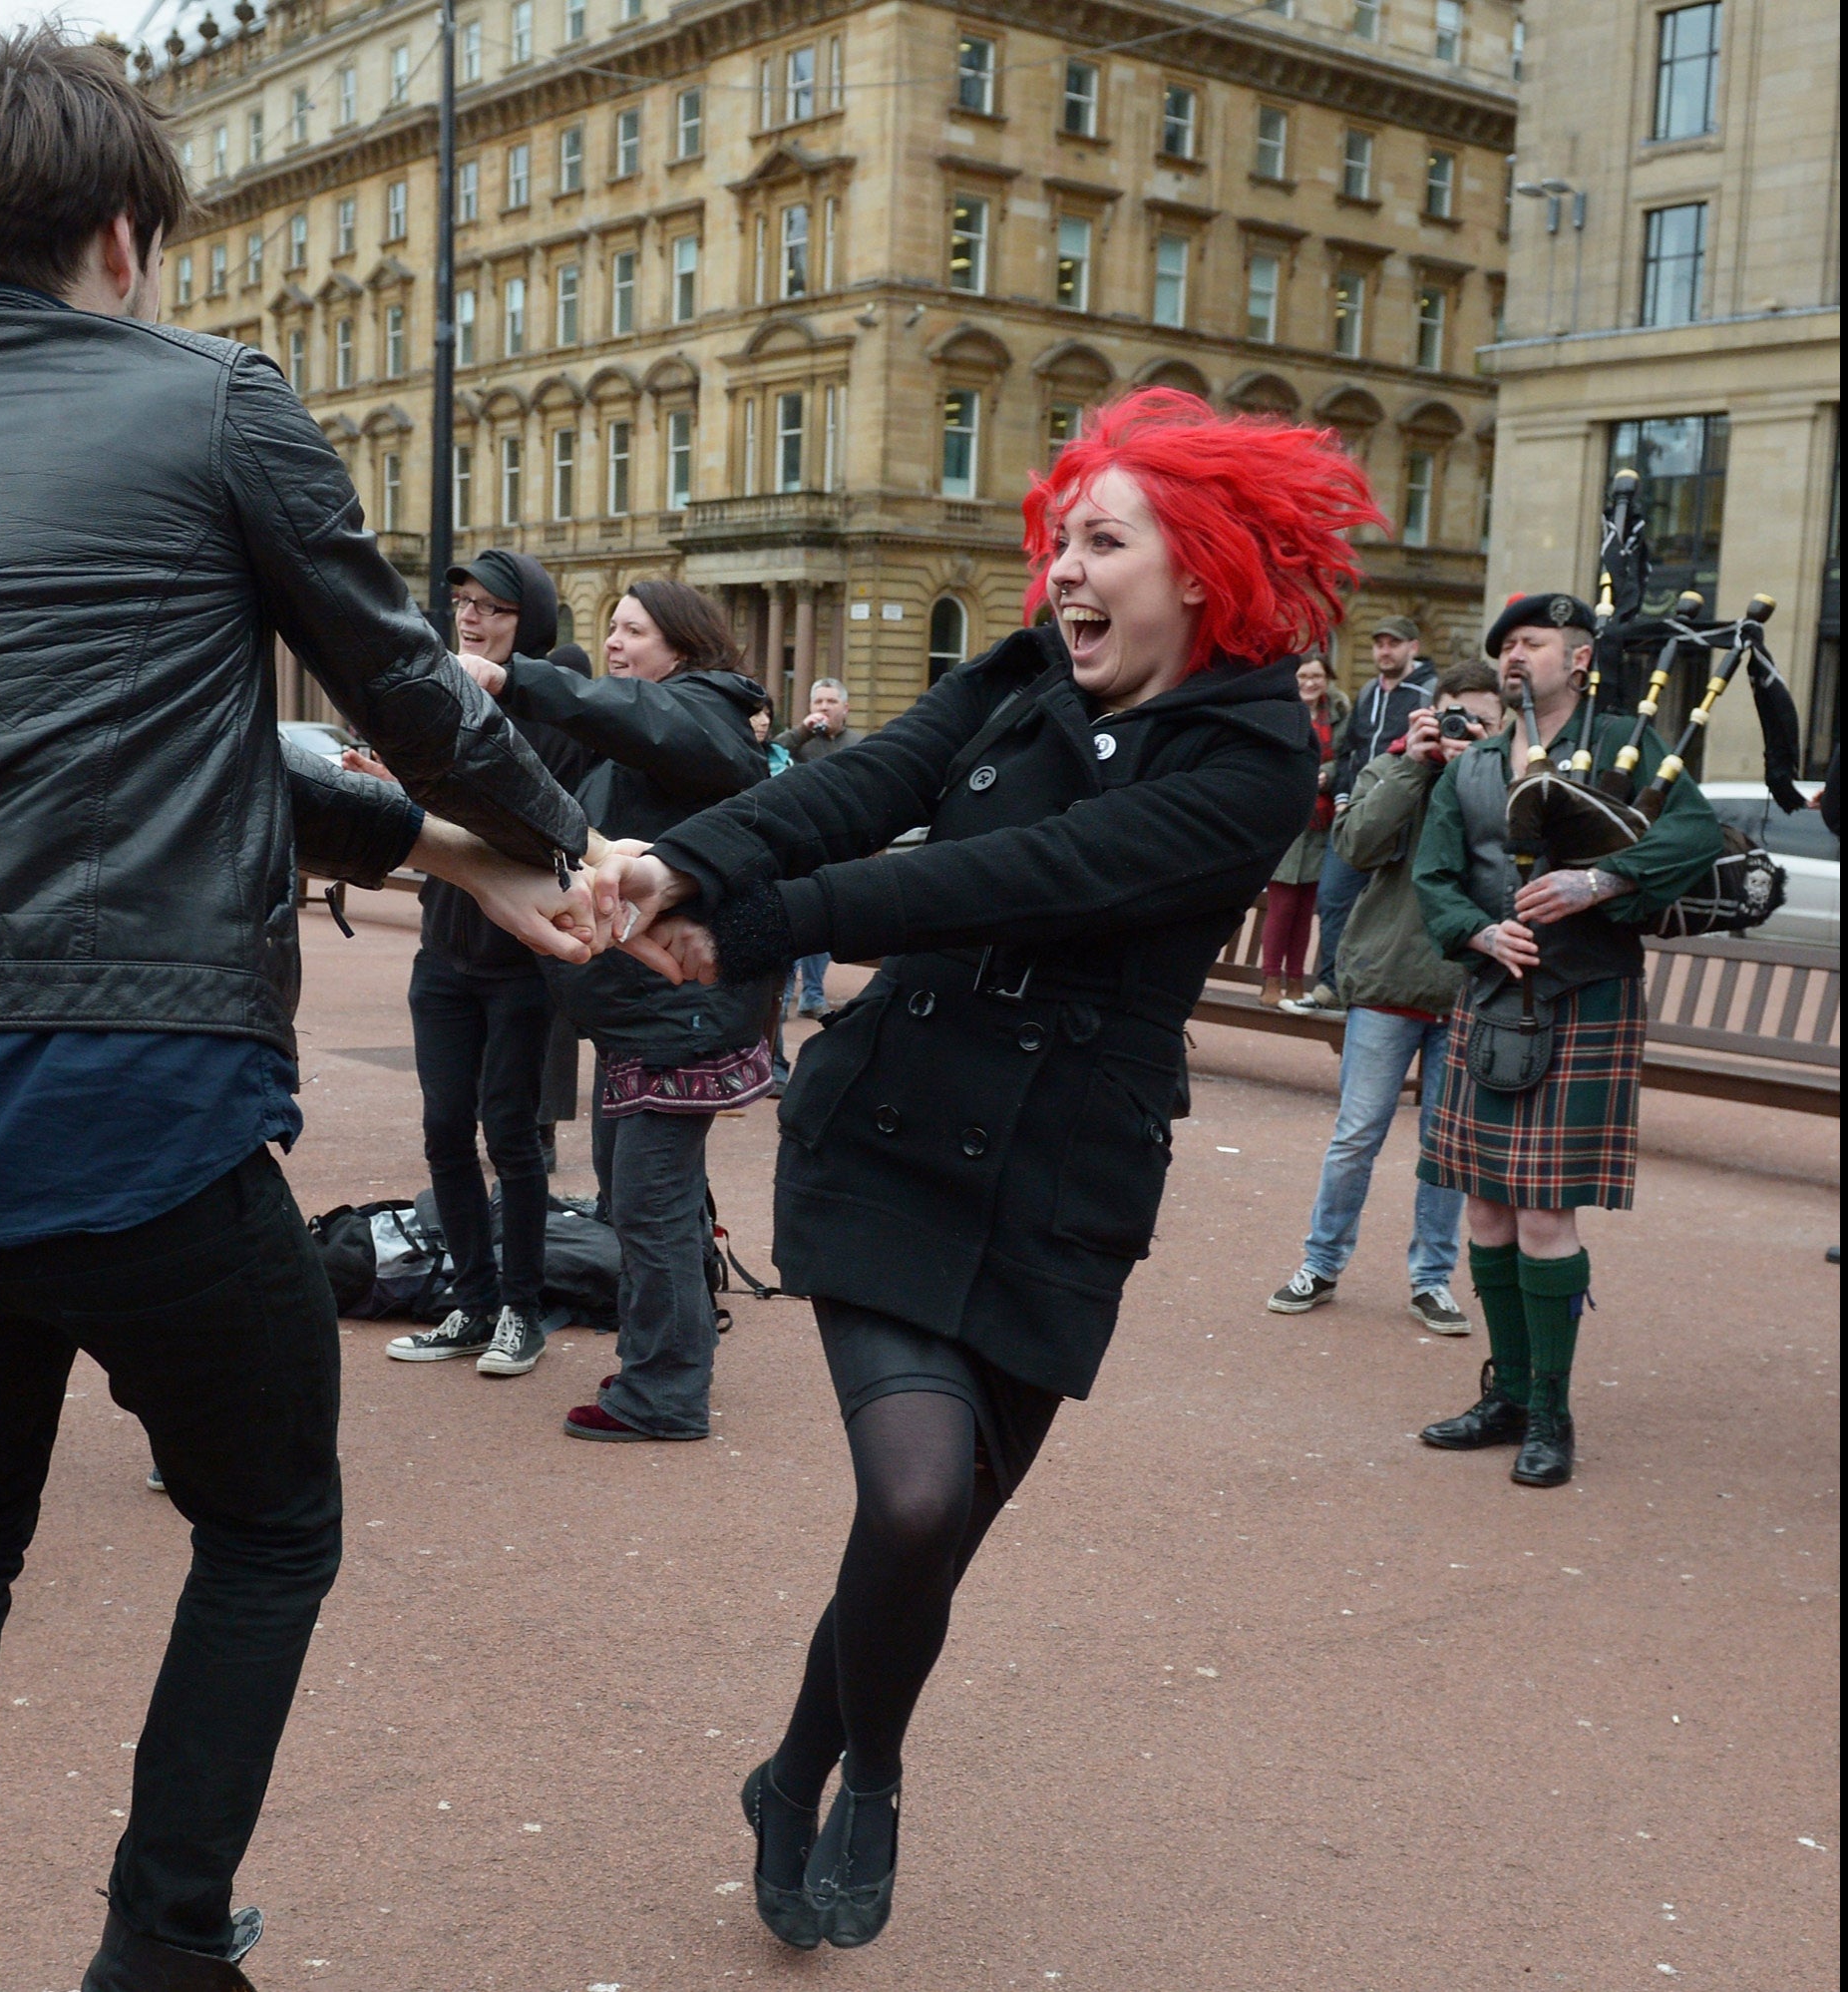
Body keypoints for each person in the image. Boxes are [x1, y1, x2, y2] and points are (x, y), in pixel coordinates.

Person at [0, 31, 598, 1991]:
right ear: (127, 237)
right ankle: (160, 1935)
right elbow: (399, 686)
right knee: (267, 1515)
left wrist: (441, 863)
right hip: (136, 1093)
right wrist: (561, 841)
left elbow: (109, 756)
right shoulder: (213, 401)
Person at [598, 387, 1373, 1951]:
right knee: (915, 1494)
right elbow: (865, 787)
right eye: (1060, 541)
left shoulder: (1253, 758)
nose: (1064, 573)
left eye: (1104, 542)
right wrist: (690, 863)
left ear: (1203, 566)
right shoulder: (1021, 672)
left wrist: (752, 930)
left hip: (1065, 1171)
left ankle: (805, 1767)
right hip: (894, 1123)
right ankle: (875, 1771)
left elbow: (1026, 875)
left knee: (930, 1533)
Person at [1410, 593, 1718, 1488]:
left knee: (1546, 1213)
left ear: (1578, 658)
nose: (1514, 656)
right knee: (1484, 1208)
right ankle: (1505, 1393)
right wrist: (1477, 932)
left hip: (1586, 994)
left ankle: (1550, 1409)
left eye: (1533, 642)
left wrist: (1599, 878)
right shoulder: (1467, 770)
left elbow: (1693, 833)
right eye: (1505, 644)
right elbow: (1434, 878)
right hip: (1491, 993)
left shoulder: (1628, 739)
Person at [468, 578, 771, 1444]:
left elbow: (645, 720)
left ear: (683, 644)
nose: (613, 641)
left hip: (675, 1018)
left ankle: (667, 1391)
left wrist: (518, 677)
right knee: (635, 1198)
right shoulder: (658, 726)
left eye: (633, 629)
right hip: (642, 1019)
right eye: (610, 626)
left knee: (649, 1204)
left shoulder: (702, 711)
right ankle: (657, 1356)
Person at [1267, 659, 1506, 1334]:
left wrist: (1480, 770)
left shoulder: (1514, 779)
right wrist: (1416, 764)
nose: (1465, 729)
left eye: (1480, 720)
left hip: (1466, 989)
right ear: (1430, 714)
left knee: (1446, 1149)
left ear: (1503, 722)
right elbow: (1357, 844)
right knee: (1355, 1136)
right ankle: (1321, 1261)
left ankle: (1432, 1279)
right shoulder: (1396, 766)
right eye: (1452, 715)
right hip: (1390, 981)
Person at [382, 550, 569, 1379]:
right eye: (463, 602)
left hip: (520, 960)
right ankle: (473, 1300)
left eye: (492, 607)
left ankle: (523, 1311)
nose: (470, 617)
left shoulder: (551, 709)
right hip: (444, 955)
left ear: (527, 621)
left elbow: (538, 819)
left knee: (513, 1134)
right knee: (443, 1130)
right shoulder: (444, 694)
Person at [1291, 614, 1430, 1012]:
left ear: (1413, 648)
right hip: (1357, 814)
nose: (1385, 651)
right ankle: (1334, 986)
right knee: (1333, 897)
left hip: (1404, 816)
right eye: (1379, 644)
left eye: (1394, 644)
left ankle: (1377, 994)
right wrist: (1343, 797)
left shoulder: (1427, 691)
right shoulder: (1368, 691)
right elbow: (1351, 750)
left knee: (1391, 909)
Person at [1258, 654, 1341, 1007]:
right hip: (1287, 820)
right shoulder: (1281, 709)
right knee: (1282, 906)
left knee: (1306, 908)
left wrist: (1330, 773)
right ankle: (1271, 980)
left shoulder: (1338, 715)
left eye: (1316, 676)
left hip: (1321, 825)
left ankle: (1296, 980)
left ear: (1326, 679)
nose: (1309, 682)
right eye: (1303, 675)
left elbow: (1348, 756)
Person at [773, 677, 859, 1021]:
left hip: (837, 842)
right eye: (817, 702)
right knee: (794, 913)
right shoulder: (800, 741)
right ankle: (783, 996)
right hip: (800, 840)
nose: (823, 708)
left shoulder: (857, 742)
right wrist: (802, 731)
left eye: (830, 702)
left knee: (822, 920)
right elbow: (773, 750)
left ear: (845, 708)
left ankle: (812, 994)